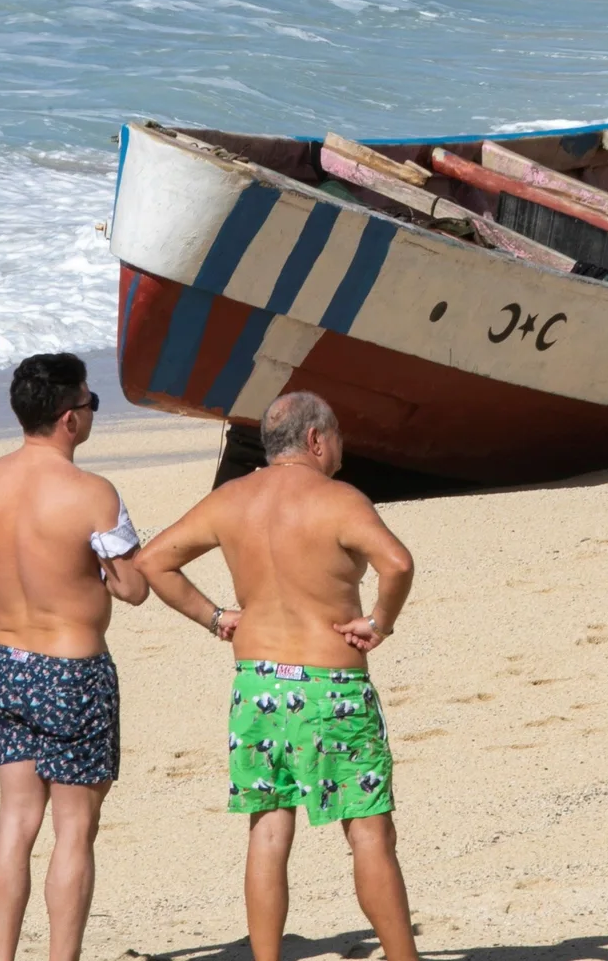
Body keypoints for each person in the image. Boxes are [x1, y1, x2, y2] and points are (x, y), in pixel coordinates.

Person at [136, 392, 418, 961]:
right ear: (316, 440)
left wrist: (215, 617)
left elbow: (152, 561)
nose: (341, 446)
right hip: (330, 687)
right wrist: (379, 622)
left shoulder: (231, 500)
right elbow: (398, 563)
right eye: (336, 434)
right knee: (367, 831)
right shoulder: (339, 500)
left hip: (258, 684)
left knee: (267, 831)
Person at [0, 352, 150, 961]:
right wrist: (101, 569)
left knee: (14, 825)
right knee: (74, 831)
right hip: (76, 669)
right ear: (68, 419)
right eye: (90, 403)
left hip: (10, 665)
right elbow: (134, 588)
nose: (91, 412)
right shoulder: (92, 494)